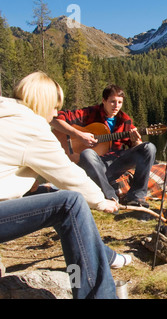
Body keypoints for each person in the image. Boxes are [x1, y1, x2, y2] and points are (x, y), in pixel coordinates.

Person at [0, 72, 122, 298]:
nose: (56, 114)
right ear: (42, 102)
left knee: (50, 193)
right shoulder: (31, 126)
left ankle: (106, 255)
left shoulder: (6, 113)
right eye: (55, 106)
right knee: (70, 203)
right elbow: (68, 175)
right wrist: (100, 200)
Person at [51, 85, 156, 208]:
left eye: (120, 102)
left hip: (115, 164)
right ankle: (111, 198)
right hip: (93, 165)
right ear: (104, 101)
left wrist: (136, 142)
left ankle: (135, 196)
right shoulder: (90, 113)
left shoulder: (124, 120)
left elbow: (137, 151)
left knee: (149, 148)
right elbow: (54, 119)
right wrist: (79, 135)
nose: (116, 106)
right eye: (112, 101)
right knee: (87, 153)